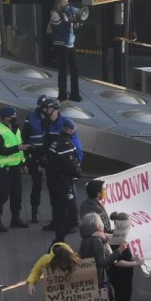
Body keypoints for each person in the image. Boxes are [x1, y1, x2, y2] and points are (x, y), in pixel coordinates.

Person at [78, 213, 127, 301]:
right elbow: (102, 262)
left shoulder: (86, 240)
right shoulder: (96, 241)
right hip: (96, 284)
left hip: (88, 281)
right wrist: (119, 251)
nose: (102, 226)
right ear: (96, 225)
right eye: (100, 224)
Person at [41, 98, 84, 230]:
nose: (45, 112)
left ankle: (70, 223)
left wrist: (75, 165)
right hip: (52, 169)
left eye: (47, 109)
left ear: (54, 109)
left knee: (68, 198)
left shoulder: (64, 124)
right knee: (54, 197)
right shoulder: (48, 123)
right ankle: (56, 221)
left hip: (65, 170)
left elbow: (75, 146)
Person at [0, 106, 31, 232]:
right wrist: (18, 148)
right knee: (2, 195)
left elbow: (19, 151)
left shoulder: (15, 130)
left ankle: (15, 218)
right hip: (5, 169)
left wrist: (23, 164)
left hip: (15, 168)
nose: (15, 117)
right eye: (13, 115)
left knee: (16, 195)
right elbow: (2, 151)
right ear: (6, 118)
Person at [106, 212, 144, 301]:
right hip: (120, 277)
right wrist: (135, 264)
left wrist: (133, 258)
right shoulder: (115, 239)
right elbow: (117, 262)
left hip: (122, 277)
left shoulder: (115, 235)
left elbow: (124, 257)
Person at [46, 119, 81, 243]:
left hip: (55, 181)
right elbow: (69, 164)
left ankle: (58, 237)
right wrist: (77, 173)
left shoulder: (56, 141)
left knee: (59, 210)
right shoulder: (65, 143)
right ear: (71, 130)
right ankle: (59, 238)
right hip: (64, 183)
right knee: (72, 215)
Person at [50, 0, 83, 102]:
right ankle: (62, 95)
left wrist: (77, 22)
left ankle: (75, 94)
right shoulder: (55, 13)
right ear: (59, 2)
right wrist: (69, 21)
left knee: (75, 70)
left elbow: (73, 25)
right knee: (63, 71)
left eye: (67, 1)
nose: (67, 4)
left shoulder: (69, 10)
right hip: (61, 45)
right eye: (64, 2)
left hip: (70, 44)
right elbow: (59, 29)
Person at [23, 95, 51, 223]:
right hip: (35, 155)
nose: (46, 109)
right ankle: (35, 211)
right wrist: (25, 158)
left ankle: (56, 212)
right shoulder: (31, 118)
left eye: (47, 106)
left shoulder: (51, 117)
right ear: (39, 106)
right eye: (44, 106)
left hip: (48, 155)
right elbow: (25, 137)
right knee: (37, 186)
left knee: (53, 185)